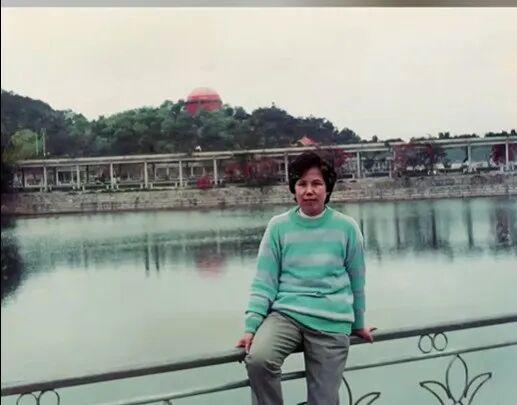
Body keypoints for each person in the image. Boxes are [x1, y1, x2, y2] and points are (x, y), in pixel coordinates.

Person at [236, 151, 374, 405]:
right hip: (286, 315)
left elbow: (357, 281)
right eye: (302, 184)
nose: (309, 191)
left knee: (324, 400)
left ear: (327, 189)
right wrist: (251, 327)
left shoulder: (347, 227)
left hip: (331, 321)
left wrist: (359, 323)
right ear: (294, 189)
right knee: (258, 360)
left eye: (316, 183)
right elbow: (264, 282)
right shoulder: (278, 226)